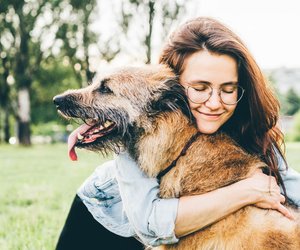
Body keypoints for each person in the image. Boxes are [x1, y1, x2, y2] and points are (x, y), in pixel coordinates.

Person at [55, 17, 300, 250]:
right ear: (175, 87)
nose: (214, 103)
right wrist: (245, 191)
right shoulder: (140, 132)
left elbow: (290, 187)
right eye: (200, 87)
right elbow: (150, 224)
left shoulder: (246, 126)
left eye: (228, 89)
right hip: (104, 222)